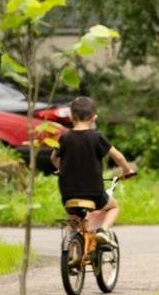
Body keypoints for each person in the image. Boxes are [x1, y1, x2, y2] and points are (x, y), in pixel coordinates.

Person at [51, 96, 133, 245]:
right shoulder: (96, 137)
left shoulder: (64, 138)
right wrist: (127, 171)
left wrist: (62, 170)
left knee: (74, 220)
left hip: (68, 195)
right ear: (94, 118)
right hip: (94, 194)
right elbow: (119, 158)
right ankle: (103, 231)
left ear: (71, 117)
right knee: (114, 207)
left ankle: (69, 255)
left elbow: (53, 159)